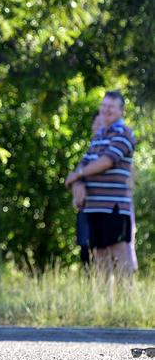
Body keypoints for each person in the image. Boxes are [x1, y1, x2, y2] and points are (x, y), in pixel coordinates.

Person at [66, 91, 137, 281]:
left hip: (113, 207)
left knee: (119, 252)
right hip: (94, 206)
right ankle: (107, 303)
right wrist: (78, 183)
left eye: (111, 107)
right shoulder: (99, 136)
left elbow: (106, 161)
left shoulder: (124, 133)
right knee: (99, 254)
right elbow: (84, 163)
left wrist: (77, 175)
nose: (106, 110)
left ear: (121, 111)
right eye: (103, 106)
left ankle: (128, 302)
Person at [72, 111, 104, 268]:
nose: (98, 128)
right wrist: (77, 187)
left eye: (101, 124)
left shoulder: (113, 150)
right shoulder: (90, 152)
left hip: (105, 212)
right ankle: (91, 288)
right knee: (85, 252)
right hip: (87, 210)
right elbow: (76, 176)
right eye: (96, 124)